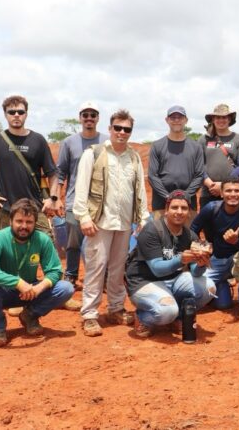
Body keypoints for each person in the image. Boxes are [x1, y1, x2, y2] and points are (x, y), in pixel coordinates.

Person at [73, 109, 150, 337]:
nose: (122, 132)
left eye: (127, 129)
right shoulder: (94, 154)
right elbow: (81, 187)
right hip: (100, 222)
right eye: (118, 128)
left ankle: (116, 308)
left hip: (124, 223)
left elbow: (139, 189)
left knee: (118, 268)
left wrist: (142, 217)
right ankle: (89, 314)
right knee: (96, 267)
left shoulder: (134, 157)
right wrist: (84, 217)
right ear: (110, 129)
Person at [0, 199, 75, 347]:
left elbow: (55, 271)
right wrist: (17, 282)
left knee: (66, 288)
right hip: (4, 292)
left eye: (29, 222)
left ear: (35, 223)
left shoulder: (42, 239)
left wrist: (38, 288)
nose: (24, 226)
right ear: (11, 221)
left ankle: (30, 315)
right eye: (19, 221)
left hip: (31, 292)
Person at [125, 190, 215, 338]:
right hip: (144, 281)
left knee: (209, 288)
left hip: (172, 280)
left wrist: (200, 264)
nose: (179, 212)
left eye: (184, 208)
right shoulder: (152, 230)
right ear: (166, 210)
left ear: (189, 213)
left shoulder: (190, 235)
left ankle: (178, 317)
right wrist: (181, 259)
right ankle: (144, 317)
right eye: (174, 207)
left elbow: (195, 272)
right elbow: (156, 269)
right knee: (167, 311)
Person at [0, 95, 59, 237]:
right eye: (11, 112)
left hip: (34, 208)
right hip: (6, 209)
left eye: (20, 112)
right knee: (9, 248)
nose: (16, 115)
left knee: (46, 244)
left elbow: (52, 173)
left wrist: (52, 198)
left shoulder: (38, 140)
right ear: (5, 114)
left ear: (26, 114)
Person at [56, 102, 108, 292]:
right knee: (73, 242)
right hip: (74, 201)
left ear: (98, 118)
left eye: (93, 115)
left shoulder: (107, 142)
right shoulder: (69, 142)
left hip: (100, 202)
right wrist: (56, 197)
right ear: (80, 118)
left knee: (101, 241)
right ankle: (71, 275)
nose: (89, 118)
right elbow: (60, 172)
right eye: (85, 115)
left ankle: (103, 277)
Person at [190, 178, 239, 311]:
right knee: (219, 302)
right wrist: (201, 246)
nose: (233, 194)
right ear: (221, 193)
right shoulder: (211, 208)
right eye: (228, 191)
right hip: (218, 258)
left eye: (237, 191)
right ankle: (221, 284)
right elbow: (193, 229)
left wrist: (236, 241)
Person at [148, 105, 206, 220]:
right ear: (167, 120)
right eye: (173, 117)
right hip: (161, 204)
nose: (176, 120)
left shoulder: (196, 147)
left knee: (187, 232)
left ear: (186, 120)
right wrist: (167, 196)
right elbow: (152, 176)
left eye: (180, 117)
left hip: (188, 204)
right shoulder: (157, 146)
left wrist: (186, 196)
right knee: (161, 231)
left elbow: (199, 175)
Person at [199, 104, 239, 208]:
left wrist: (224, 184)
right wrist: (210, 184)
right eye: (218, 117)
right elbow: (197, 165)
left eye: (224, 117)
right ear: (213, 119)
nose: (221, 120)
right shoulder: (203, 139)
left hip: (232, 192)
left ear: (229, 119)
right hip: (208, 191)